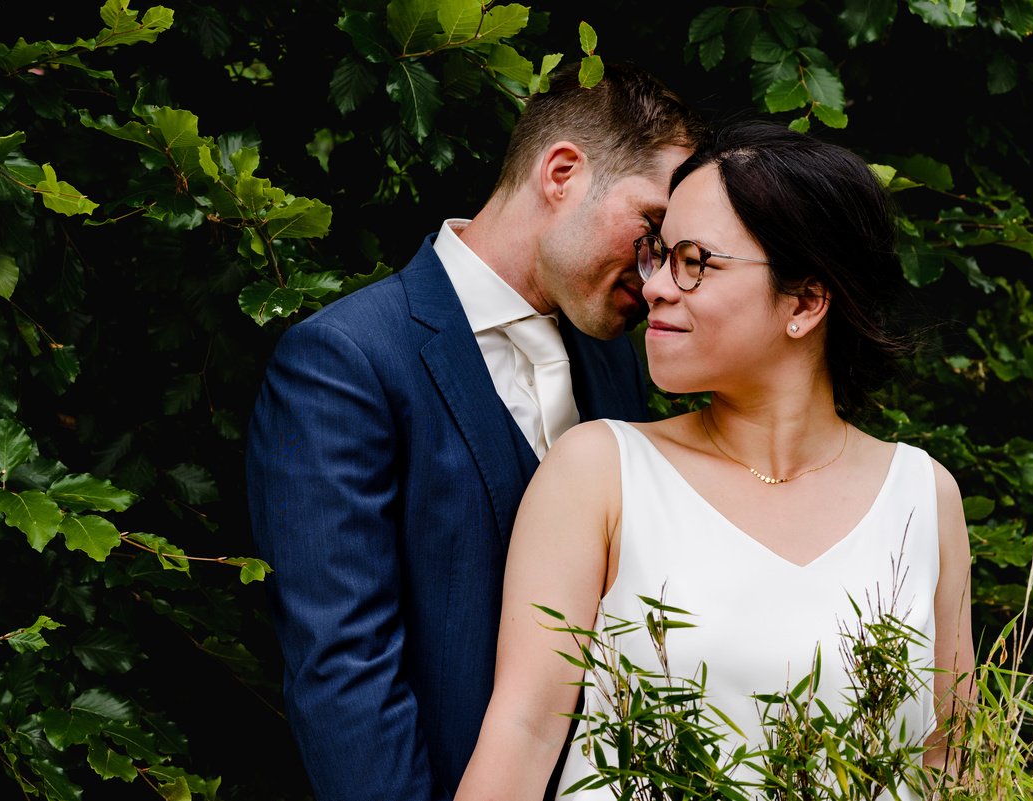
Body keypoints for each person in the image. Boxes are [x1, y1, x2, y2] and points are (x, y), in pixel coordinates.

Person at [455, 121, 975, 800]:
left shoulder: (923, 496)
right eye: (658, 255)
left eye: (695, 260)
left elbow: (951, 759)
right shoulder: (600, 471)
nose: (657, 288)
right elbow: (522, 733)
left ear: (806, 300)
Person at [245, 63, 710, 801]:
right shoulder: (348, 361)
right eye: (651, 229)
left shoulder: (617, 362)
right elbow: (343, 670)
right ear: (562, 173)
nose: (657, 274)